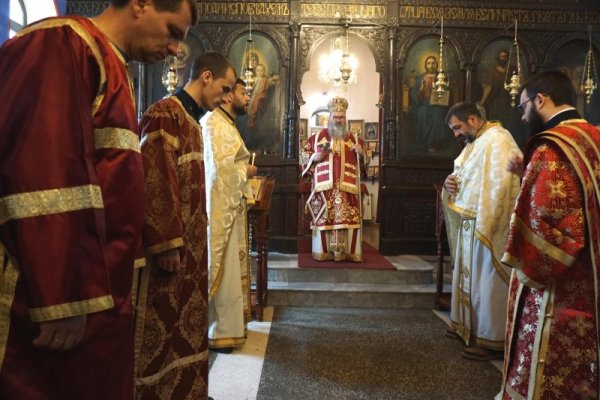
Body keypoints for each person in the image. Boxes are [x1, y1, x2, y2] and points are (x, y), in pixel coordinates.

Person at [0, 0, 197, 398]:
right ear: (140, 4)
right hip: (58, 295)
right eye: (173, 32)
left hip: (99, 291)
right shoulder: (62, 44)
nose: (176, 49)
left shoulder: (111, 62)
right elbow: (48, 176)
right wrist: (64, 297)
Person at [135, 52, 235, 399]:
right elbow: (157, 180)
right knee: (160, 329)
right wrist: (167, 242)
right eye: (225, 89)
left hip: (190, 253)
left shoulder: (193, 122)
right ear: (206, 76)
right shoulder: (166, 113)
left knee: (185, 327)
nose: (226, 98)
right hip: (169, 254)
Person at [497, 70, 600, 399]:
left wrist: (526, 266)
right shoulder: (593, 137)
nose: (524, 114)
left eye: (524, 105)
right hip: (593, 272)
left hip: (562, 286)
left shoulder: (551, 147)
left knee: (549, 364)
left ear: (541, 100)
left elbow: (548, 223)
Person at [441, 102, 521, 361]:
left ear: (473, 119)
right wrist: (448, 184)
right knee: (469, 281)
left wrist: (489, 222)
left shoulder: (498, 140)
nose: (456, 134)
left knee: (487, 284)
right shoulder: (475, 143)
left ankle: (490, 339)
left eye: (458, 127)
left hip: (487, 225)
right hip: (470, 223)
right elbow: (462, 178)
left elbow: (503, 186)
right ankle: (465, 325)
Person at [201, 78, 257, 353]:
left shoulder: (226, 125)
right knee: (225, 272)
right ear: (227, 96)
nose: (247, 98)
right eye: (243, 93)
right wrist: (243, 172)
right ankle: (220, 331)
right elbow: (216, 174)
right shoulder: (214, 124)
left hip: (232, 207)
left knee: (234, 272)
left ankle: (230, 328)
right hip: (222, 209)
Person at [300, 97, 369, 262]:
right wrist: (314, 157)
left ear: (345, 118)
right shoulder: (316, 138)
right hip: (325, 187)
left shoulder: (355, 139)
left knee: (346, 219)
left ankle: (348, 253)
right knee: (326, 218)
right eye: (335, 117)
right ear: (329, 117)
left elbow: (364, 164)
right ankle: (323, 252)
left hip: (348, 187)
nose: (338, 120)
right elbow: (304, 156)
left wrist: (362, 154)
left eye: (341, 117)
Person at [477, 49, 527, 148]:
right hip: (496, 104)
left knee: (510, 126)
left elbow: (521, 82)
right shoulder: (492, 72)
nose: (503, 58)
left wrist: (520, 68)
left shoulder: (512, 70)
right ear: (498, 58)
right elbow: (488, 88)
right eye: (501, 56)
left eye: (505, 56)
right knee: (497, 126)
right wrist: (482, 102)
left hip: (510, 103)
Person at [410, 55, 449, 154]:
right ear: (426, 65)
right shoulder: (420, 78)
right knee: (422, 114)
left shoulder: (441, 77)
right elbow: (414, 94)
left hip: (437, 105)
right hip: (424, 104)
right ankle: (422, 143)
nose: (431, 65)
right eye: (429, 63)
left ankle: (433, 143)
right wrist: (421, 89)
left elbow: (446, 91)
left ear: (436, 65)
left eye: (433, 63)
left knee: (438, 115)